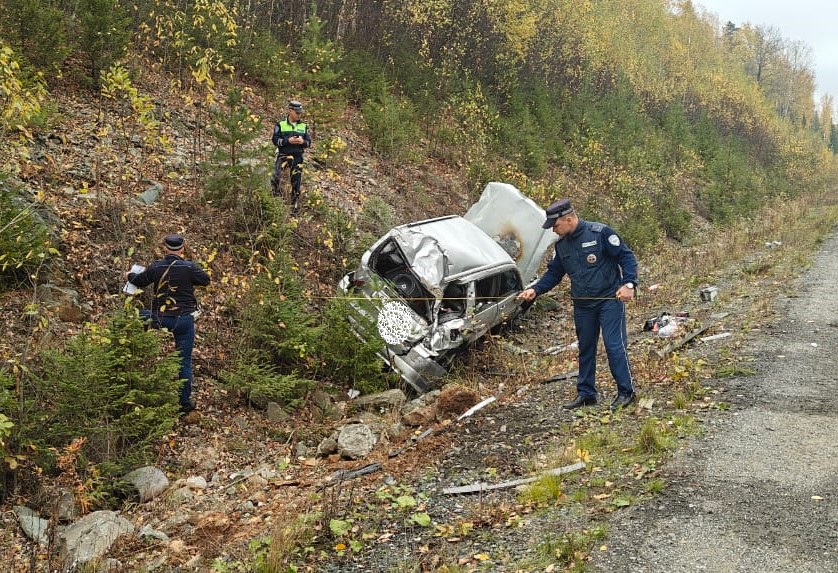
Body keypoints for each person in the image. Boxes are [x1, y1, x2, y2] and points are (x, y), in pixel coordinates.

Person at [517, 199, 639, 411]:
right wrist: (535, 290)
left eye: (556, 226)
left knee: (614, 346)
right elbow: (555, 273)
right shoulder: (562, 245)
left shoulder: (600, 233)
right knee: (585, 347)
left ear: (569, 219)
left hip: (609, 300)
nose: (554, 231)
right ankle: (586, 393)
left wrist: (629, 284)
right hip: (583, 305)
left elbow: (626, 257)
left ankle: (626, 392)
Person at [127, 234, 211, 414]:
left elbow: (138, 281)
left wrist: (131, 274)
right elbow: (205, 280)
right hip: (184, 321)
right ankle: (184, 403)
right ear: (182, 249)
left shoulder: (157, 267)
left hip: (161, 318)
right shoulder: (189, 267)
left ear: (165, 248)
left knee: (138, 315)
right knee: (184, 362)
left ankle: (133, 352)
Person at [271, 100, 311, 216]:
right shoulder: (280, 124)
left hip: (298, 157)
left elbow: (309, 142)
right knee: (276, 177)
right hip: (283, 155)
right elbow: (275, 140)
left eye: (300, 113)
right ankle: (275, 202)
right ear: (290, 111)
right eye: (297, 112)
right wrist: (287, 141)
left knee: (296, 182)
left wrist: (302, 141)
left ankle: (294, 207)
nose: (299, 115)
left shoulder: (303, 126)